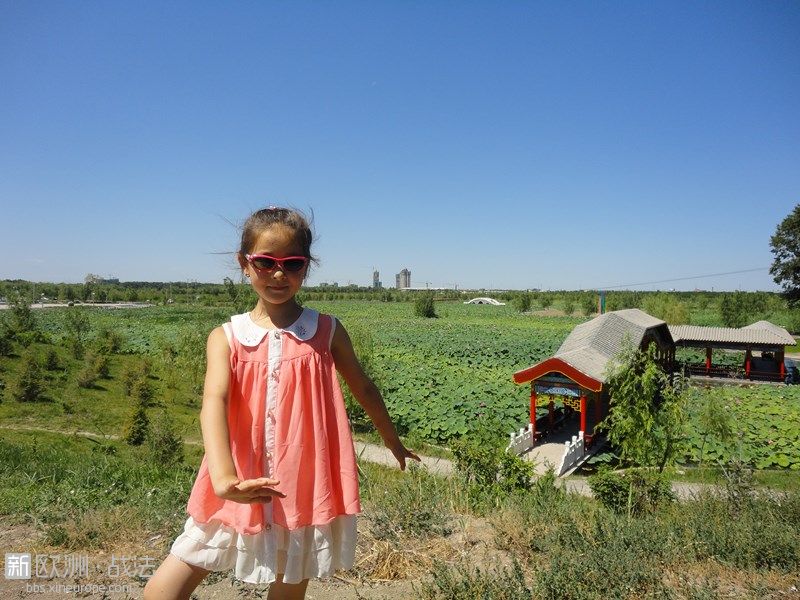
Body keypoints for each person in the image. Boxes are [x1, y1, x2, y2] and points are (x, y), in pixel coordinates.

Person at [144, 207, 419, 600]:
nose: (278, 274)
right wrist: (224, 479)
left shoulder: (326, 330)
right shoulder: (227, 337)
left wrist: (392, 440)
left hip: (301, 485)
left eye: (292, 264)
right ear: (244, 264)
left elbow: (364, 387)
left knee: (290, 583)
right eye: (265, 262)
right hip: (236, 481)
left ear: (306, 267)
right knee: (167, 584)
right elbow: (214, 401)